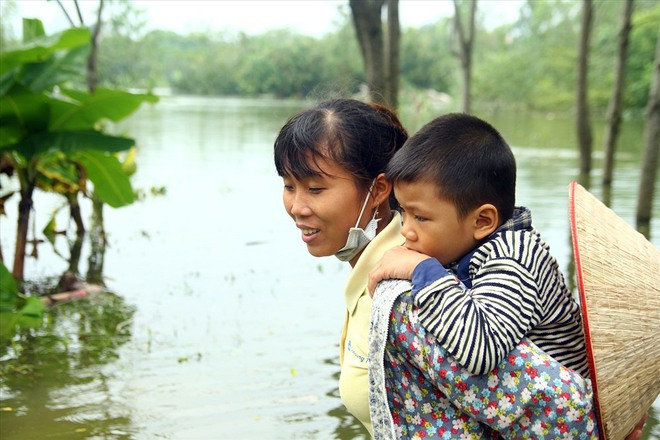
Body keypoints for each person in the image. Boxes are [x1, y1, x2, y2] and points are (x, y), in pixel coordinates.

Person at [273, 98, 645, 439]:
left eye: (315, 189)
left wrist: (424, 271)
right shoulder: (438, 252)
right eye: (289, 186)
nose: (296, 206)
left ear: (378, 190)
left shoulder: (413, 292)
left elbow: (509, 373)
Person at [368, 113, 589, 379]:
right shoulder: (470, 246)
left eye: (421, 217)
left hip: (565, 412)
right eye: (403, 212)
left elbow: (481, 350)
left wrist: (422, 269)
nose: (406, 229)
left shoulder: (515, 255)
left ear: (483, 221)